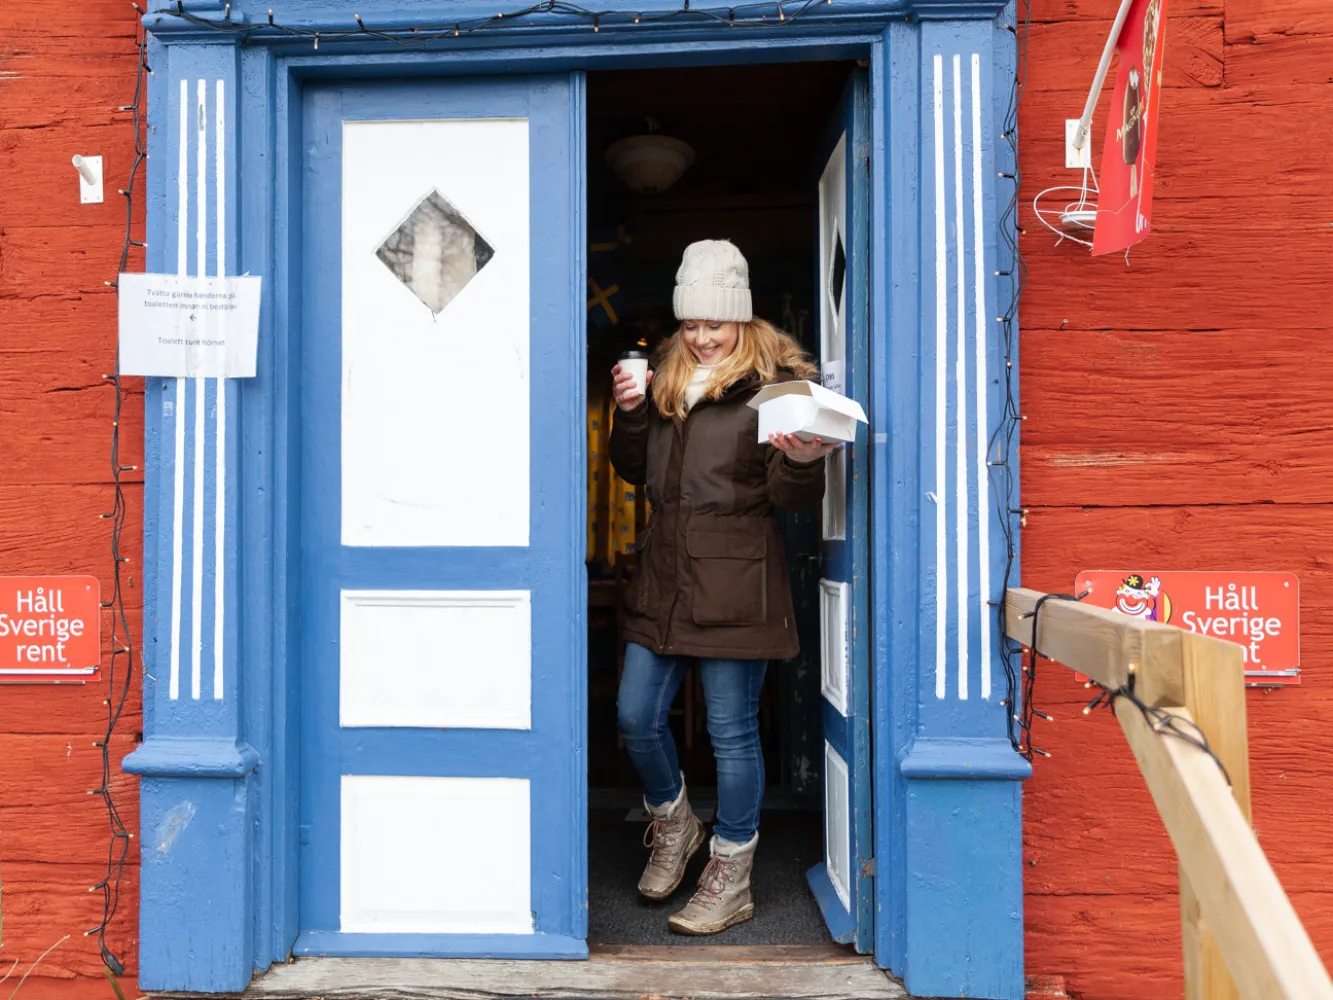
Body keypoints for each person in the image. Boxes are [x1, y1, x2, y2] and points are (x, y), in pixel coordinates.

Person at [608, 239, 836, 935]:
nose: (702, 337)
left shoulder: (775, 389)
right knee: (634, 718)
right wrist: (632, 412)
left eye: (715, 322)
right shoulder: (669, 381)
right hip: (665, 577)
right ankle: (674, 823)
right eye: (691, 324)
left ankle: (730, 871)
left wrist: (800, 462)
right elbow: (631, 472)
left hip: (736, 580)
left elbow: (791, 499)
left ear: (741, 318)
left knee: (731, 733)